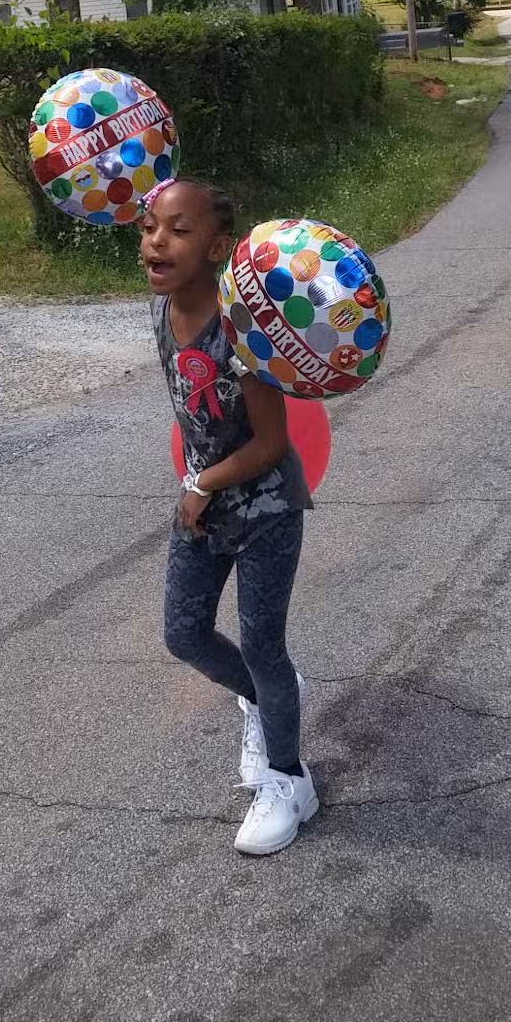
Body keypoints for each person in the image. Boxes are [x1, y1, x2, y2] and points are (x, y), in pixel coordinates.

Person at [142, 176, 317, 856]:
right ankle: (269, 699)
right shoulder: (160, 310)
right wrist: (200, 485)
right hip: (204, 502)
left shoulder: (243, 331)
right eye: (151, 227)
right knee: (184, 634)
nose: (158, 240)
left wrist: (202, 482)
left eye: (179, 231)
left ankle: (289, 780)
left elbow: (273, 442)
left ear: (216, 247)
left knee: (263, 644)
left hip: (267, 506)